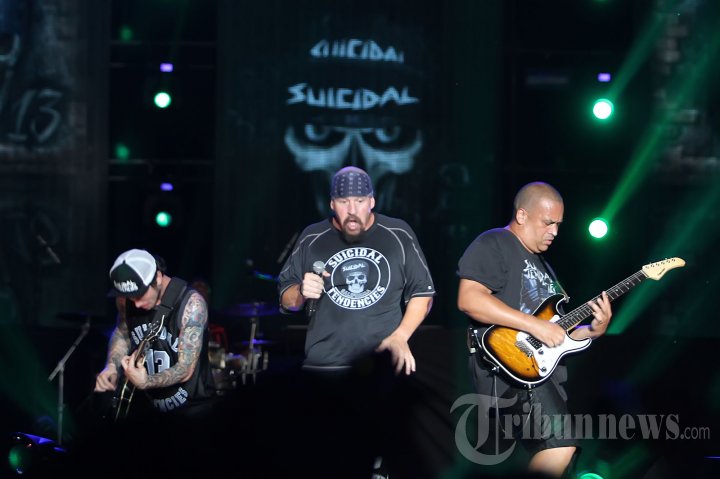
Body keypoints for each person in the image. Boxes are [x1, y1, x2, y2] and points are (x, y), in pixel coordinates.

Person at [278, 166, 435, 477]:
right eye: (344, 201)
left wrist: (401, 336)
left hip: (377, 371)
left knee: (378, 464)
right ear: (331, 204)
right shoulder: (312, 237)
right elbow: (286, 298)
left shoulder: (398, 234)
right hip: (323, 370)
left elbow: (424, 293)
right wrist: (300, 293)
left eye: (359, 201)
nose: (352, 210)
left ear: (372, 201)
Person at [457, 182, 613, 478]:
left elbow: (557, 334)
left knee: (561, 457)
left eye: (558, 225)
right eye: (548, 222)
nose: (554, 231)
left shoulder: (545, 268)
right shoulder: (495, 242)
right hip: (508, 364)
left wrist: (592, 330)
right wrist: (534, 325)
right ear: (522, 215)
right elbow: (469, 299)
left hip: (540, 372)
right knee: (559, 447)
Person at [94, 249, 216, 421]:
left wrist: (146, 382)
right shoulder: (124, 300)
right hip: (148, 413)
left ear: (157, 277)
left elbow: (185, 368)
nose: (136, 303)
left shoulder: (191, 304)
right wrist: (112, 367)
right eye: (130, 296)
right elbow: (122, 333)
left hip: (192, 412)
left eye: (140, 294)